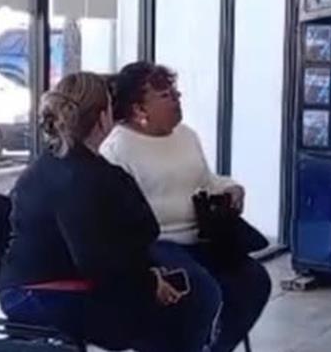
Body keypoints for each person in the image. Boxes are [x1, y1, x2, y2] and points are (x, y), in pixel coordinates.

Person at [0, 72, 222, 352]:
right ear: (103, 118)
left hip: (30, 288)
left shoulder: (53, 164)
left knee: (182, 297)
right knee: (182, 308)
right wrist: (149, 282)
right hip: (45, 294)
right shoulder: (84, 177)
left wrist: (149, 276)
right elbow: (98, 258)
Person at [101, 62, 271, 352]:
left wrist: (230, 188)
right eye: (165, 96)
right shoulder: (118, 148)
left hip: (203, 236)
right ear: (139, 108)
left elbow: (206, 180)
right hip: (156, 244)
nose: (177, 99)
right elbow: (117, 214)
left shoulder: (186, 136)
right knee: (202, 291)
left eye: (176, 92)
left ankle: (216, 348)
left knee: (254, 280)